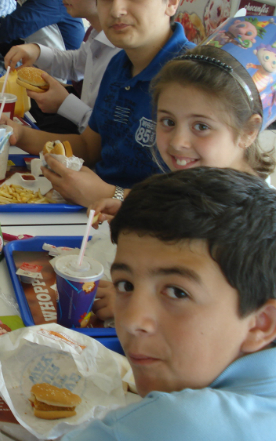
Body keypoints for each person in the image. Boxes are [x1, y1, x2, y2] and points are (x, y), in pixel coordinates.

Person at [63, 167, 276, 440]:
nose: (130, 320)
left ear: (261, 323)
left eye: (177, 292)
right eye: (126, 285)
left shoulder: (184, 424)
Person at [0, 0, 192, 208]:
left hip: (150, 230)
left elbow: (206, 203)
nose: (116, 9)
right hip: (89, 216)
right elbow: (91, 147)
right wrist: (20, 133)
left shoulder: (194, 80)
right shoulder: (119, 63)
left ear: (173, 0)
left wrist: (112, 195)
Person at [89, 44, 276, 321]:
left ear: (248, 131)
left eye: (201, 126)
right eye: (167, 121)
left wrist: (135, 300)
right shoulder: (197, 184)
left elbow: (223, 320)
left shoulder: (256, 228)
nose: (177, 142)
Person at [4, 0, 120, 134]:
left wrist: (65, 104)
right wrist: (36, 50)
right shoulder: (97, 33)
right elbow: (77, 64)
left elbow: (108, 134)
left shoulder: (123, 50)